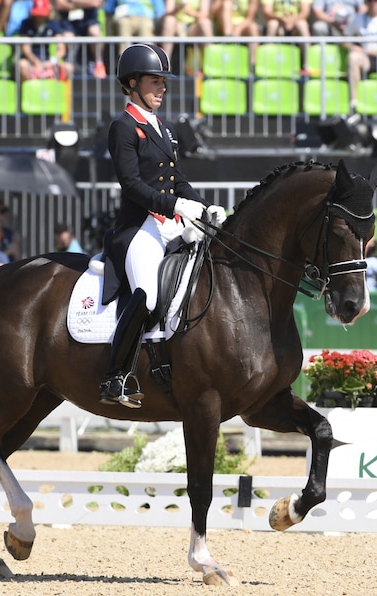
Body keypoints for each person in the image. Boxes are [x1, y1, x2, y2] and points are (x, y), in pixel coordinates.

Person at [99, 43, 226, 409]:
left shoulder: (164, 128)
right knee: (149, 296)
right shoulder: (124, 127)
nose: (162, 88)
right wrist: (175, 205)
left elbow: (178, 179)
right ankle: (114, 376)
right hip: (139, 229)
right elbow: (132, 185)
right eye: (156, 81)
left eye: (164, 82)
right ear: (133, 83)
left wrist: (202, 207)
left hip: (170, 224)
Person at [17, 0, 74, 80]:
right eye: (38, 14)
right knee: (22, 64)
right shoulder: (26, 24)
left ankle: (55, 90)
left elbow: (61, 49)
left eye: (42, 14)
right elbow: (25, 48)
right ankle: (29, 90)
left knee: (68, 67)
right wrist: (36, 62)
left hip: (48, 61)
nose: (39, 17)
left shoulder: (53, 24)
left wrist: (51, 62)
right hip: (31, 61)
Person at [54, 0, 106, 78]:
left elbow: (95, 2)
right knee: (68, 37)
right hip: (68, 23)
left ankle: (99, 64)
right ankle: (68, 66)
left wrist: (72, 2)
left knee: (94, 32)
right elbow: (59, 4)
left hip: (89, 20)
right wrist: (83, 4)